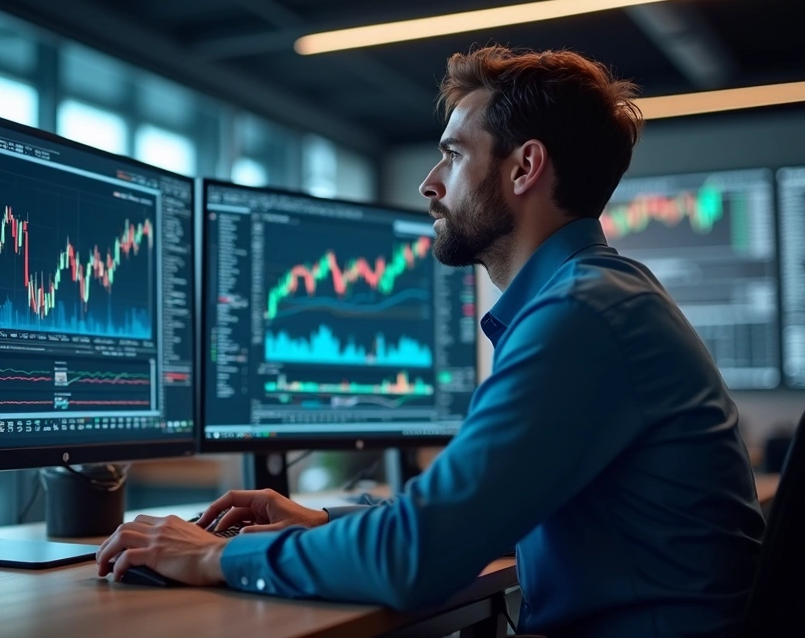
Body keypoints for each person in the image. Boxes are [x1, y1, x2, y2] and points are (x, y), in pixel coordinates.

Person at [96, 46, 766, 636]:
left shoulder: (583, 316)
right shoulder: (597, 299)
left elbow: (414, 559)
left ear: (525, 166)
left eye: (452, 154)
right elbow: (479, 513)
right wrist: (326, 523)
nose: (429, 184)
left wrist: (213, 555)